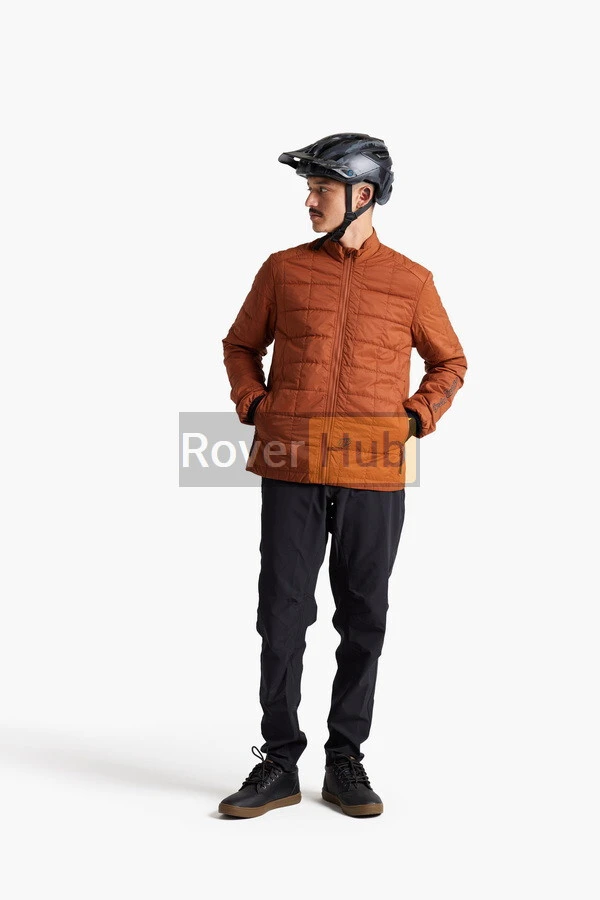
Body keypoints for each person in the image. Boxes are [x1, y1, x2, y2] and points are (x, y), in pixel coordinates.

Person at [219, 133, 467, 818]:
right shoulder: (283, 271)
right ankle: (279, 762)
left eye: (321, 189)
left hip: (372, 472)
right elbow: (240, 345)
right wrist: (256, 405)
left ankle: (345, 760)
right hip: (291, 464)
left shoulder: (411, 281)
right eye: (310, 189)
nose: (309, 201)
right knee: (281, 616)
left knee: (363, 618)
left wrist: (414, 418)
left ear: (363, 194)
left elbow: (450, 363)